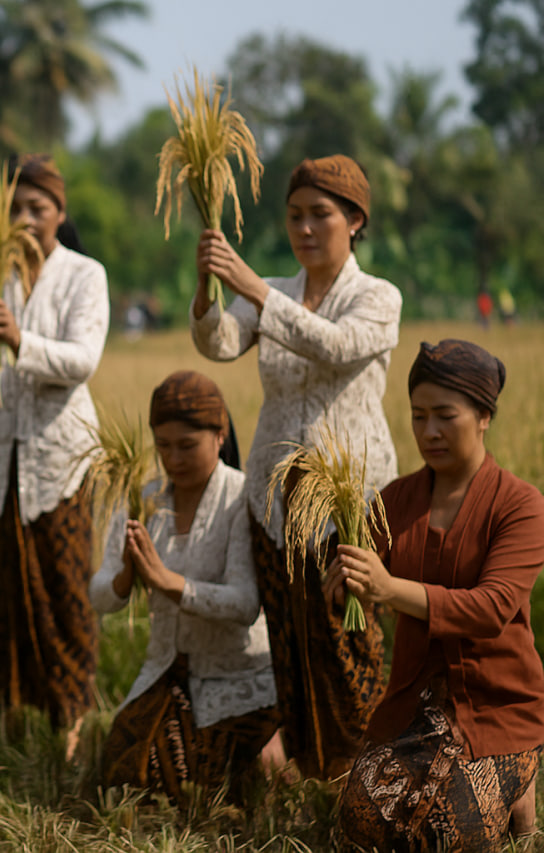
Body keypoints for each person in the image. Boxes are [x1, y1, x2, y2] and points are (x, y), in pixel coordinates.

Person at [189, 154, 402, 778]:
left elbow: (334, 347)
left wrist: (251, 284)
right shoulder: (276, 292)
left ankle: (363, 775)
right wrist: (207, 286)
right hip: (276, 494)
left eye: (321, 215)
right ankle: (311, 770)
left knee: (347, 639)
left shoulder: (377, 297)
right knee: (291, 639)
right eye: (294, 216)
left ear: (355, 220)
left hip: (349, 500)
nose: (305, 229)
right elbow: (220, 344)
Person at [331, 340, 544, 851]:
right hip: (415, 707)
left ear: (484, 415)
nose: (429, 432)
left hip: (497, 709)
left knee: (446, 833)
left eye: (445, 416)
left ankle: (522, 780)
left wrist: (388, 587)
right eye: (418, 416)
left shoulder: (520, 506)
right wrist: (344, 584)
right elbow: (357, 593)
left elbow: (492, 608)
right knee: (363, 822)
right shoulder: (394, 501)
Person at [0, 153, 110, 749]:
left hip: (58, 464)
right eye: (13, 208)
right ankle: (9, 719)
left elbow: (82, 360)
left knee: (63, 588)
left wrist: (21, 340)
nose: (23, 219)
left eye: (37, 207)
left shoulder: (84, 275)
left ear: (60, 213)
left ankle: (70, 723)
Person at [90, 371, 281, 802]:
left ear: (220, 434)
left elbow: (247, 603)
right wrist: (125, 575)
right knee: (126, 776)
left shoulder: (241, 498)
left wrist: (168, 582)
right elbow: (99, 593)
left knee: (204, 781)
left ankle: (266, 752)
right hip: (167, 673)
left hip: (238, 675)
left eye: (186, 446)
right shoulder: (146, 498)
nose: (173, 459)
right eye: (162, 446)